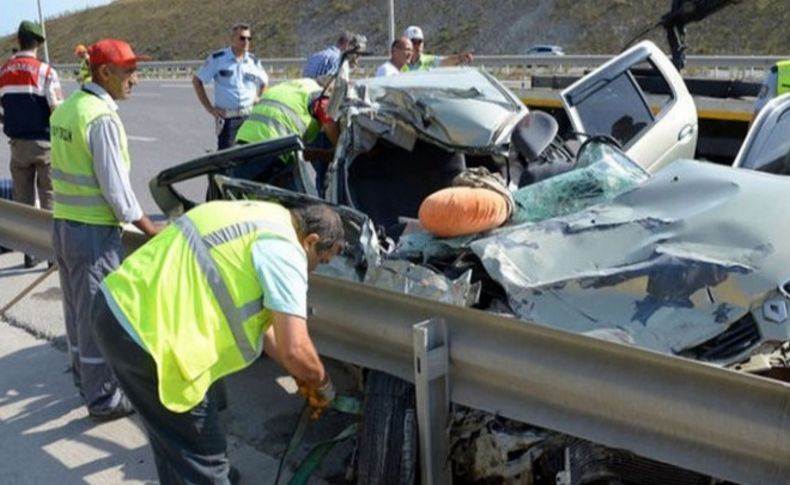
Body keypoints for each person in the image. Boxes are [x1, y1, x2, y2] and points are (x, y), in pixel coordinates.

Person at [92, 200, 344, 484]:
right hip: (148, 340)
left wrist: (302, 374)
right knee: (205, 459)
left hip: (115, 308)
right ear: (311, 241)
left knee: (174, 440)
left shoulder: (258, 214)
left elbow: (271, 335)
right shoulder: (286, 250)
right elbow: (295, 348)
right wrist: (323, 384)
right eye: (321, 262)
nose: (314, 270)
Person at [49, 38, 165, 421]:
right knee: (100, 316)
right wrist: (152, 229)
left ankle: (84, 376)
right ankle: (102, 399)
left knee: (77, 311)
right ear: (105, 73)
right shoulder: (100, 118)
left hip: (64, 225)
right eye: (129, 70)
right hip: (93, 234)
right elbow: (118, 194)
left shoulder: (69, 108)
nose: (136, 78)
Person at [0, 21, 63, 268]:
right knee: (49, 198)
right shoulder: (46, 72)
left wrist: (11, 120)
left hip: (17, 146)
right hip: (45, 144)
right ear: (38, 43)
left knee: (24, 202)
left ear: (19, 40)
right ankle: (52, 256)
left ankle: (30, 254)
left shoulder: (4, 71)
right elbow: (57, 110)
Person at [234, 77, 339, 188]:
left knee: (244, 196)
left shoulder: (285, 88)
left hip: (243, 146)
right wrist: (336, 151)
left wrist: (323, 154)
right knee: (297, 201)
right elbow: (335, 136)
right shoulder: (320, 97)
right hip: (273, 151)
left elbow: (299, 153)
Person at [193, 22, 269, 151]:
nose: (246, 42)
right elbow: (197, 81)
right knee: (227, 159)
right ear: (232, 39)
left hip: (249, 117)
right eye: (242, 38)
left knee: (250, 157)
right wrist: (210, 109)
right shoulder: (218, 59)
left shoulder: (253, 61)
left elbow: (265, 82)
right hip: (228, 118)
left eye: (249, 38)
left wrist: (258, 97)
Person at [401, 25, 473, 72]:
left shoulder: (428, 61)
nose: (417, 45)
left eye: (420, 41)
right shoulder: (398, 64)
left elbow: (445, 61)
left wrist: (460, 58)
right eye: (414, 42)